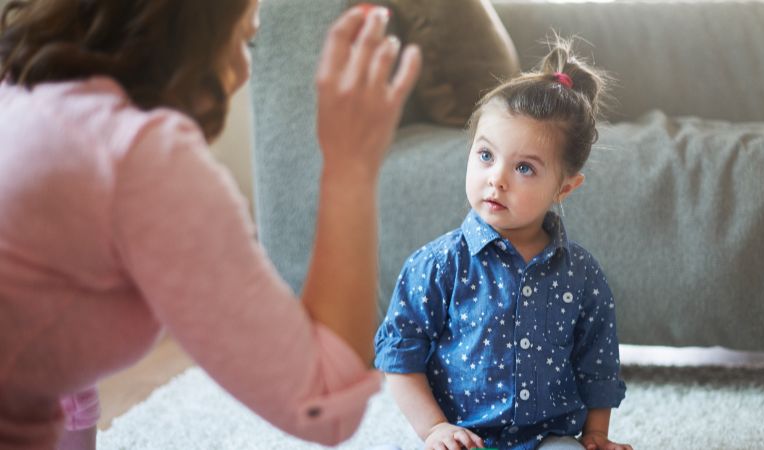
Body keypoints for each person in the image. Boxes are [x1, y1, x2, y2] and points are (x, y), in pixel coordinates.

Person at [0, 0, 421, 448]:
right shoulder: (140, 154)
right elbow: (322, 403)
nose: (244, 70)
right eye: (244, 39)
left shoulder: (25, 88)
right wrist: (352, 165)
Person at [374, 38, 632, 450]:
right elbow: (400, 358)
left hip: (549, 436)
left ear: (564, 187)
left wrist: (597, 435)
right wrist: (435, 429)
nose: (497, 179)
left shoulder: (581, 275)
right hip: (464, 436)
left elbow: (597, 364)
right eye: (485, 156)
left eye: (525, 168)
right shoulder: (439, 265)